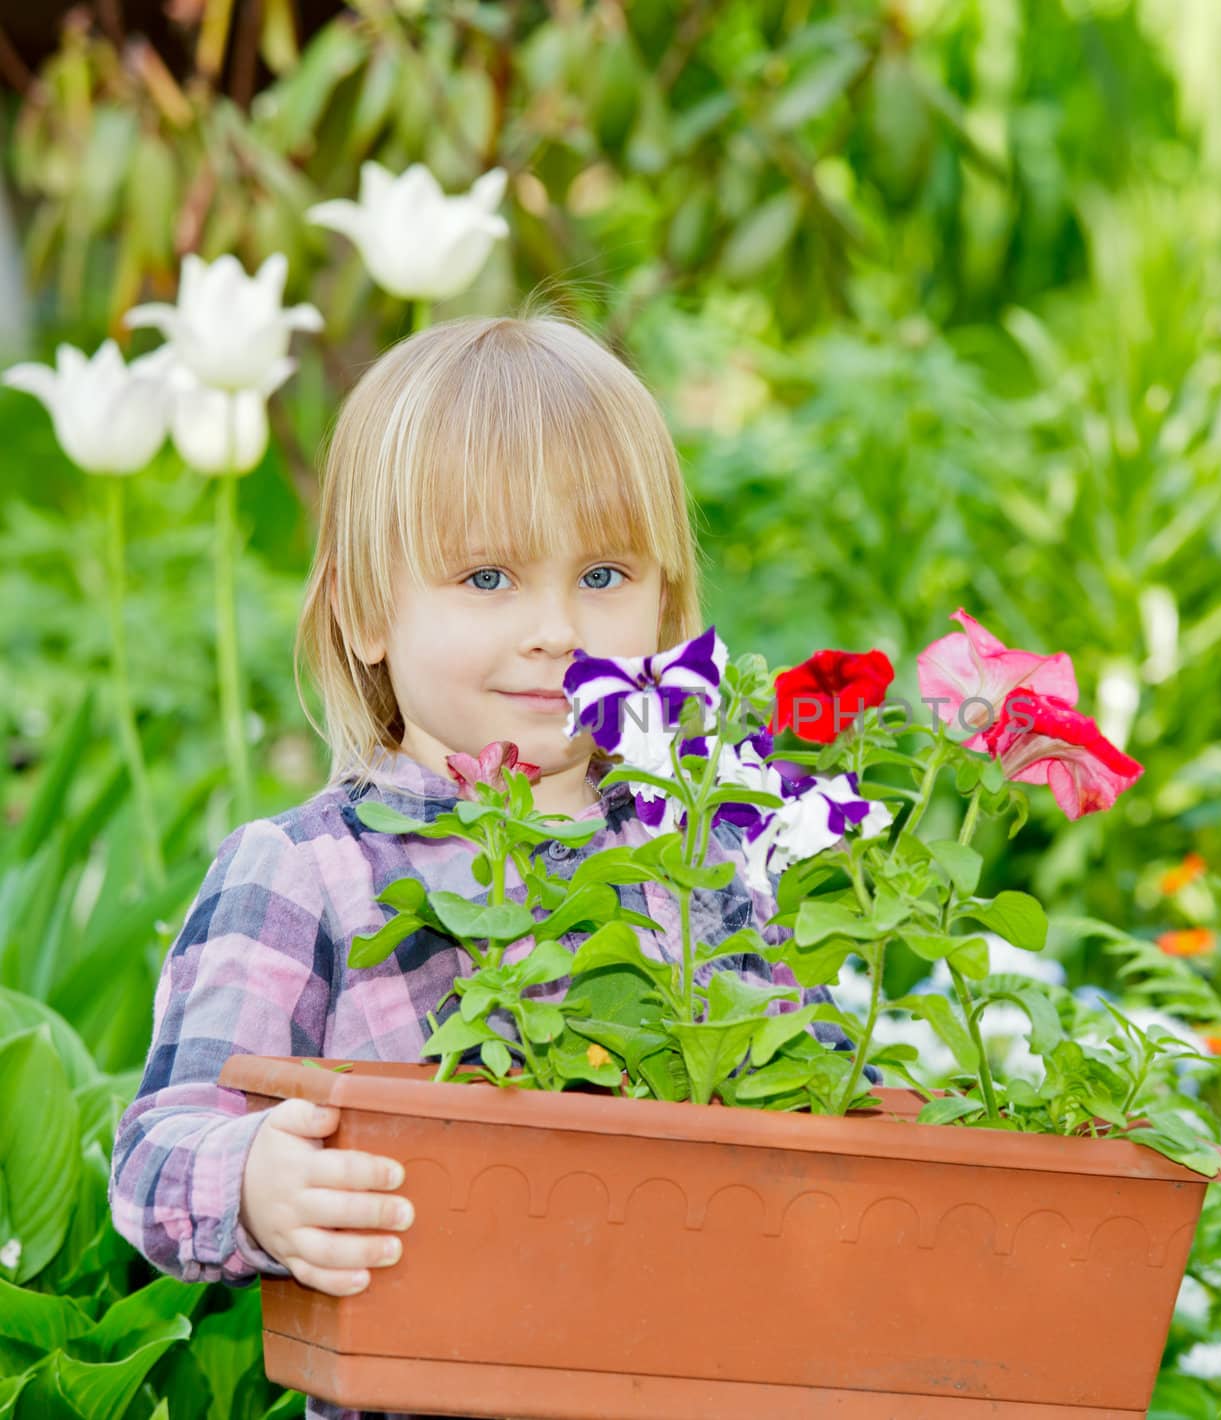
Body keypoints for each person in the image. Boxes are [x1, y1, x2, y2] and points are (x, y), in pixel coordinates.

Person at [109, 311, 864, 1420]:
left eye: (603, 573)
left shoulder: (710, 853)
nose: (556, 627)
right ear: (368, 610)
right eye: (488, 577)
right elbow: (155, 1152)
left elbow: (828, 1116)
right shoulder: (306, 871)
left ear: (667, 603)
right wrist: (259, 1183)